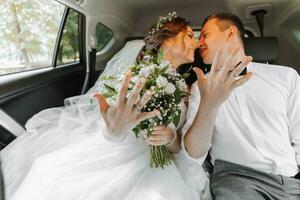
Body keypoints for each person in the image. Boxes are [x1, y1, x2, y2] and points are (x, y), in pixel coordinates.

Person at [0, 13, 250, 200]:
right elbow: (109, 127)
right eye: (188, 35)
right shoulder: (130, 78)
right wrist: (114, 130)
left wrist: (171, 137)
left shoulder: (188, 88)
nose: (196, 43)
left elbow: (180, 145)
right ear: (167, 39)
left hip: (159, 163)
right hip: (113, 153)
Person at [183, 12, 300, 200]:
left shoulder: (287, 77)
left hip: (293, 182)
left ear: (230, 33)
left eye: (205, 34)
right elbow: (193, 154)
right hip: (237, 181)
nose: (199, 43)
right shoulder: (200, 87)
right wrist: (209, 105)